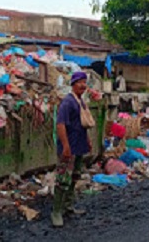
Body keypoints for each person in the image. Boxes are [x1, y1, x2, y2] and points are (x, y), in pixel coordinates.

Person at [52, 71, 92, 227]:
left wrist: (87, 140)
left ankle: (67, 206)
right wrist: (66, 146)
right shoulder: (68, 103)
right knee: (63, 179)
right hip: (69, 147)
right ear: (73, 84)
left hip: (79, 145)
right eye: (79, 82)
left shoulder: (80, 101)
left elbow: (82, 125)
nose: (83, 85)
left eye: (84, 82)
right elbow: (60, 125)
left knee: (74, 177)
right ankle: (56, 212)